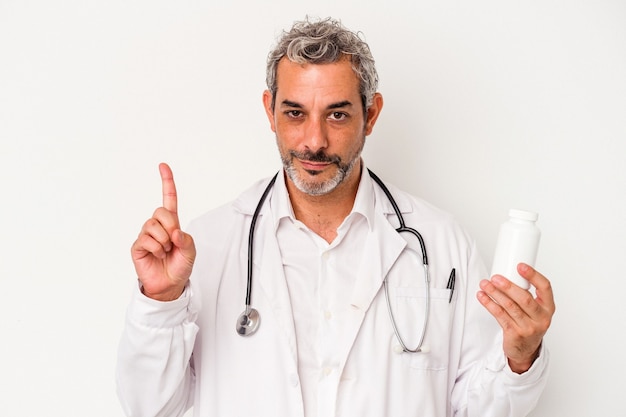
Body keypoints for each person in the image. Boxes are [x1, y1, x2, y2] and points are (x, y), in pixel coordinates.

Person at [116, 17, 555, 417]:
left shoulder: (441, 243)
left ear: (372, 114)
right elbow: (149, 407)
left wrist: (519, 359)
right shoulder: (209, 245)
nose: (314, 140)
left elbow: (478, 410)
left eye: (338, 114)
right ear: (270, 111)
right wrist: (160, 302)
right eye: (295, 113)